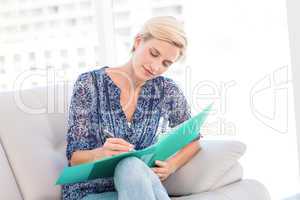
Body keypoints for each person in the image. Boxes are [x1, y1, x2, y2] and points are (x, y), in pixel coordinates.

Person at [62, 16, 201, 200]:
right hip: (90, 193)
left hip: (139, 188)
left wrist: (172, 166)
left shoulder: (166, 90)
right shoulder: (90, 83)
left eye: (166, 63)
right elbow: (75, 157)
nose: (156, 67)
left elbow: (194, 140)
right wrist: (101, 153)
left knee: (133, 166)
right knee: (130, 164)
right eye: (154, 53)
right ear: (138, 41)